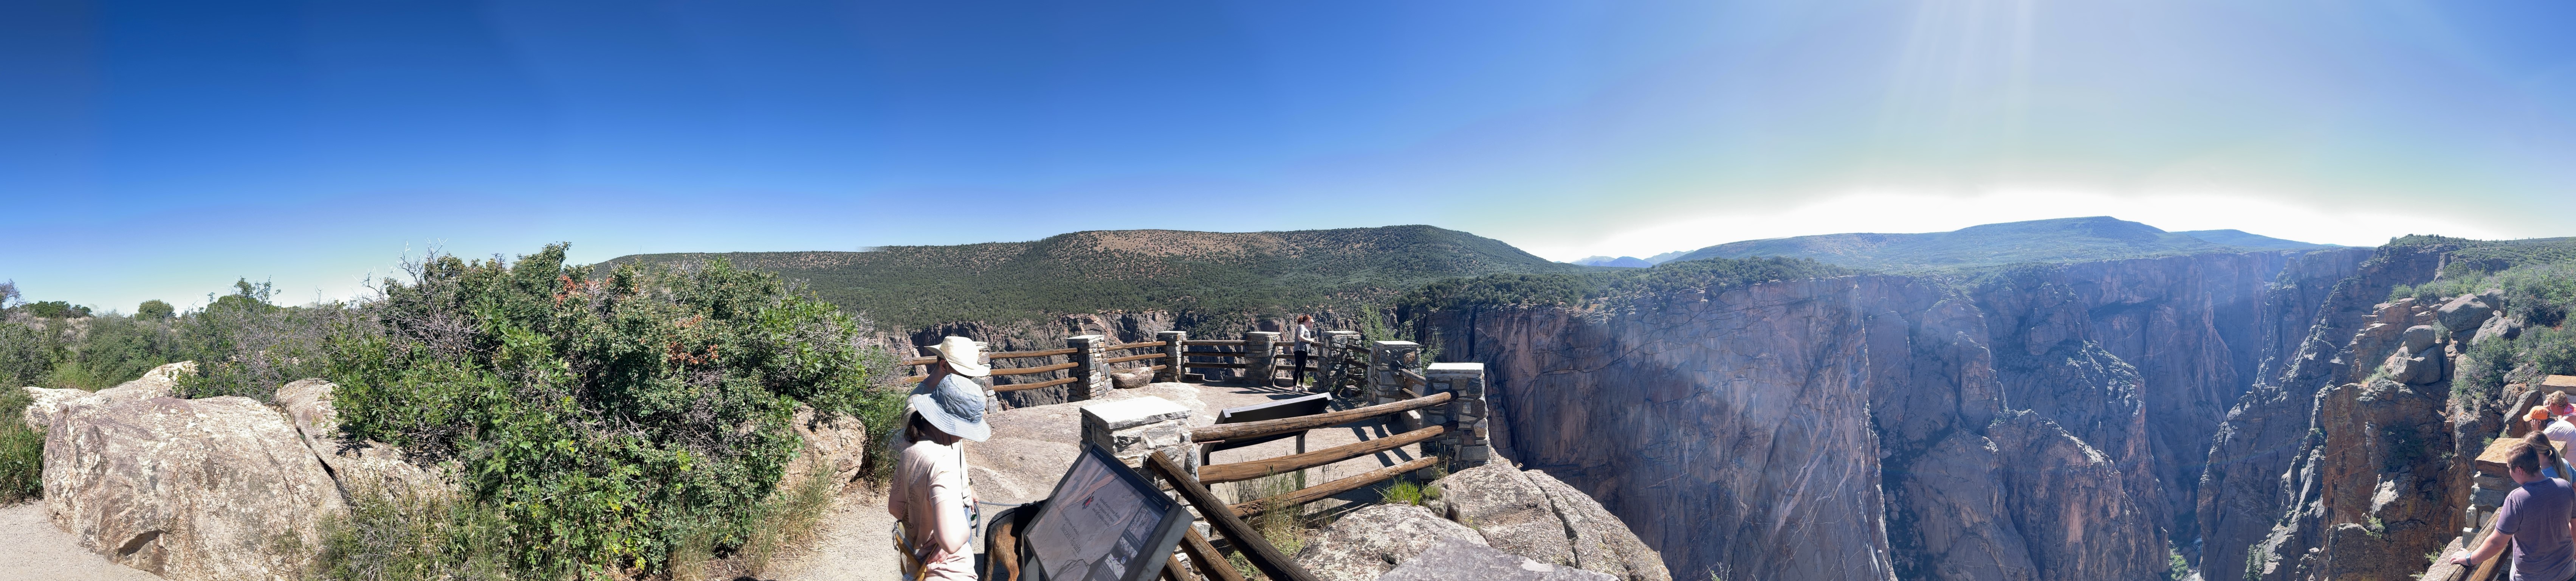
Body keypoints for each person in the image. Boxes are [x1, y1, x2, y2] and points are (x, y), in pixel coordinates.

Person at [890, 336, 994, 581]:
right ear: (944, 365)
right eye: (963, 373)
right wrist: (936, 537)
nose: (966, 380)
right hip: (941, 516)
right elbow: (927, 471)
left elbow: (952, 450)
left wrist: (966, 486)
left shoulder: (943, 403)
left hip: (951, 501)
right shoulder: (916, 408)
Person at [2451, 430, 2576, 581]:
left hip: (2532, 577)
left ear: (2519, 470)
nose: (2509, 472)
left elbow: (2497, 543)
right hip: (2567, 573)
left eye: (2509, 468)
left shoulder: (2517, 499)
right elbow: (2574, 526)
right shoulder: (2565, 486)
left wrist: (2470, 558)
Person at [1291, 314, 1318, 389]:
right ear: (1306, 321)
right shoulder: (1301, 327)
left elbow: (1310, 329)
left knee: (1302, 370)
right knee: (1298, 369)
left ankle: (1302, 386)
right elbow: (1300, 337)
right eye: (1309, 322)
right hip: (1300, 350)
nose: (1310, 324)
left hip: (1304, 351)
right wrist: (1310, 340)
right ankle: (1294, 388)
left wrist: (1312, 323)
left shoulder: (1305, 327)